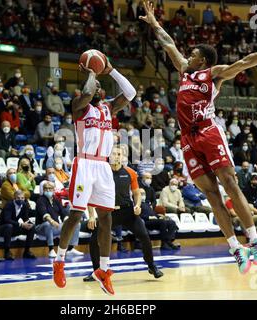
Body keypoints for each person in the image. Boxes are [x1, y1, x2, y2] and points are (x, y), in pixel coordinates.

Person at [140, 1, 257, 274]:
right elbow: (168, 44)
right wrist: (154, 23)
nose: (187, 56)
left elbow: (245, 62)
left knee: (229, 183)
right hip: (187, 139)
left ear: (203, 60)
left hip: (209, 131)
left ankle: (256, 242)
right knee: (211, 194)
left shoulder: (212, 74)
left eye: (192, 54)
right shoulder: (185, 71)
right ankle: (236, 247)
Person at [53, 58, 136, 296]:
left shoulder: (109, 108)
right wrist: (92, 72)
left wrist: (111, 71)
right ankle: (59, 261)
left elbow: (130, 92)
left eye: (101, 85)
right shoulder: (79, 105)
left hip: (103, 167)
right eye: (97, 85)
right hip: (85, 163)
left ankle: (103, 270)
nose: (99, 88)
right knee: (77, 214)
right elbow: (88, 92)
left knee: (106, 219)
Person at [82, 146, 163, 282]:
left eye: (119, 154)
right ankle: (97, 271)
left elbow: (136, 193)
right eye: (113, 153)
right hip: (108, 213)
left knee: (144, 236)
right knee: (94, 241)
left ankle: (151, 266)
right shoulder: (101, 172)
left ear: (122, 156)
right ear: (109, 156)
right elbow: (91, 195)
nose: (116, 156)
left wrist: (137, 205)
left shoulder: (130, 172)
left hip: (127, 211)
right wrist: (91, 215)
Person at [35, 181, 82, 258]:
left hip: (55, 226)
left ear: (54, 190)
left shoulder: (56, 200)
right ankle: (51, 250)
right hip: (41, 227)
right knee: (48, 224)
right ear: (43, 190)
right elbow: (44, 213)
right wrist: (52, 221)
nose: (47, 190)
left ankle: (70, 249)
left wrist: (68, 221)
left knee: (76, 224)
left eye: (50, 188)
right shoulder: (40, 200)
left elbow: (63, 213)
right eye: (45, 188)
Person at [0, 190, 36, 260]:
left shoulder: (24, 205)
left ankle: (27, 251)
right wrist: (21, 224)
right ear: (14, 198)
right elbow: (7, 220)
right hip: (2, 228)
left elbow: (25, 218)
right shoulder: (9, 205)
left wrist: (30, 224)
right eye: (18, 198)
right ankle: (7, 252)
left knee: (31, 227)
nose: (20, 200)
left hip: (13, 228)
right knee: (9, 226)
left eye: (22, 198)